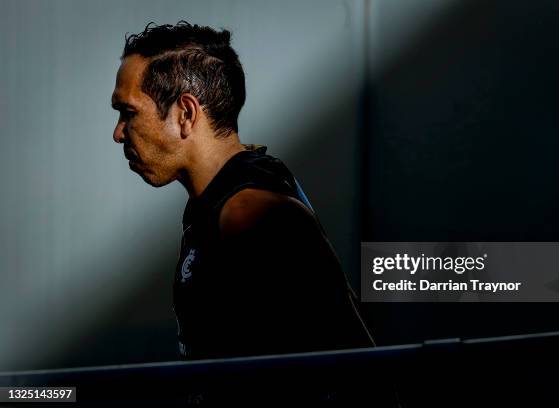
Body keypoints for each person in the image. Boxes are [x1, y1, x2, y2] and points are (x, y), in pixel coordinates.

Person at [111, 21, 374, 359]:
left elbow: (356, 362)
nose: (119, 133)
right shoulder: (218, 203)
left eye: (128, 113)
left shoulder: (250, 212)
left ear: (186, 114)